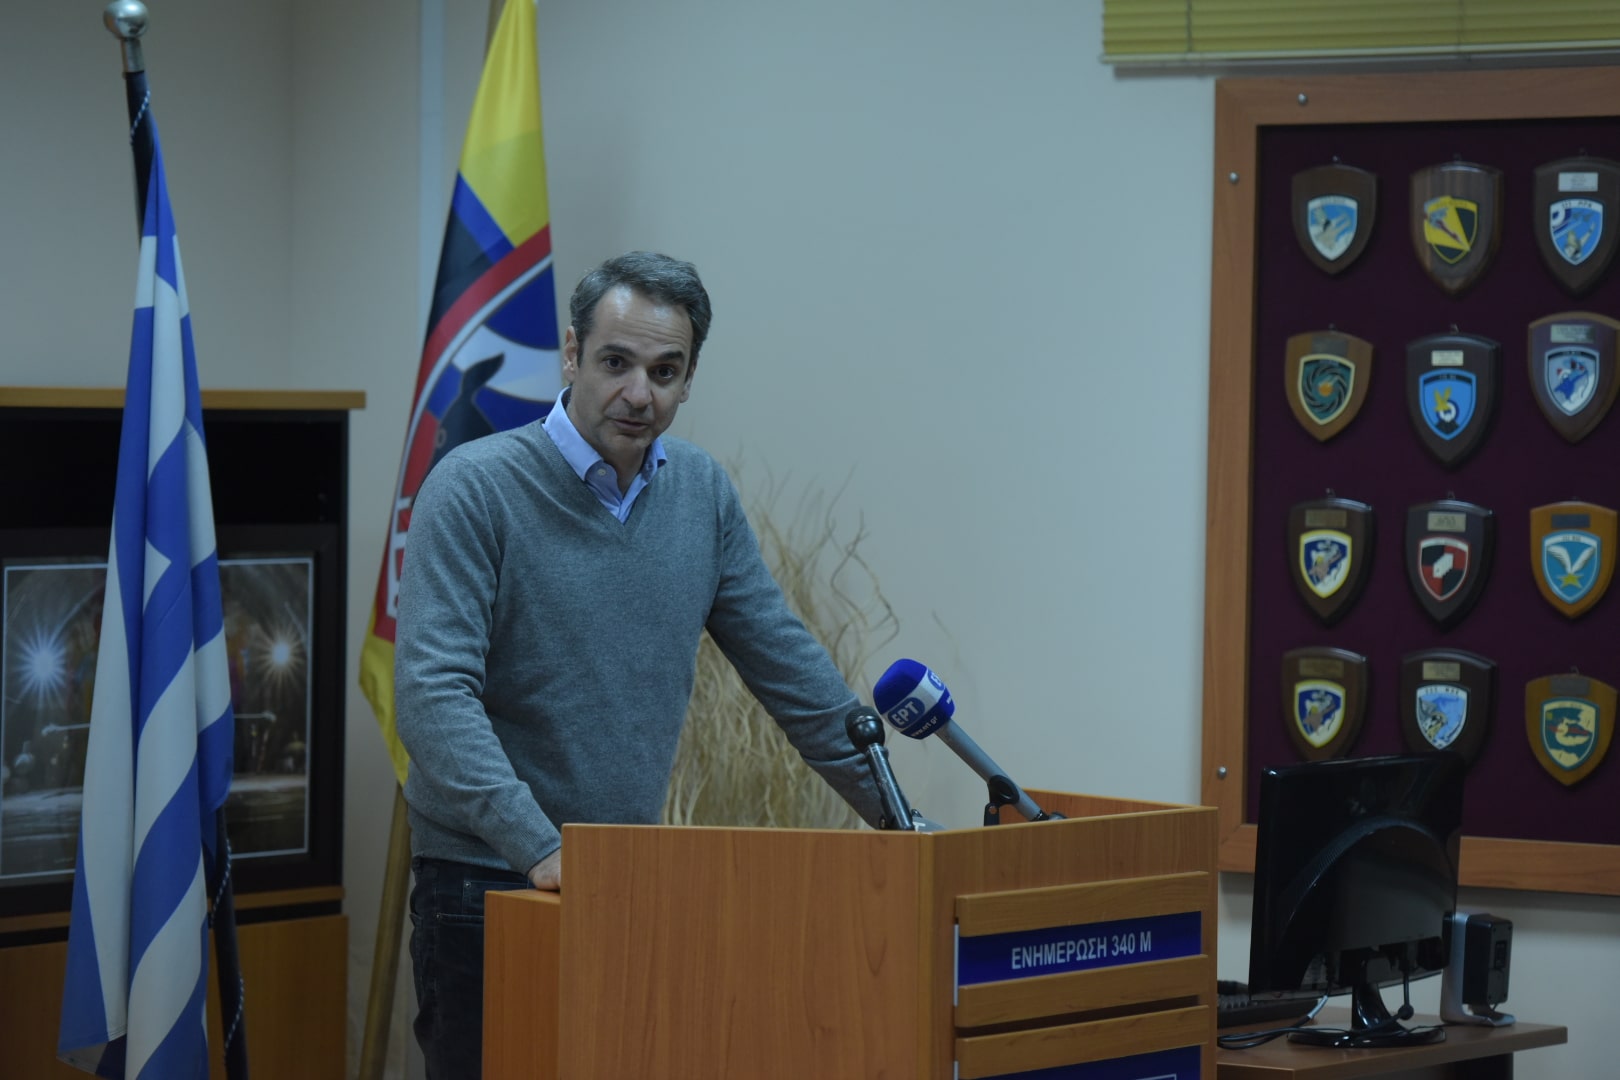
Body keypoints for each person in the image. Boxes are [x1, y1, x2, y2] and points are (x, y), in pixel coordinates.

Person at [394, 250, 890, 1078]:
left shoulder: (700, 492)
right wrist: (538, 848)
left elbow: (790, 669)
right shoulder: (474, 488)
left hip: (625, 882)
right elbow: (432, 696)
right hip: (486, 885)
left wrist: (903, 824)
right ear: (571, 354)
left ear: (689, 380)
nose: (639, 394)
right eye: (616, 363)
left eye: (665, 372)